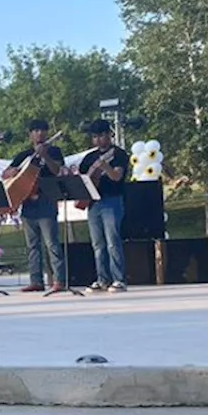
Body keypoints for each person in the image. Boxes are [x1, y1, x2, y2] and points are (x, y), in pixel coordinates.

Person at [2, 119, 66, 292]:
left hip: (46, 201)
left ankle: (59, 280)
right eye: (36, 130)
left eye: (42, 130)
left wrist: (45, 155)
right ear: (30, 134)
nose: (39, 133)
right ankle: (36, 280)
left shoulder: (54, 151)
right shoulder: (24, 155)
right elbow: (5, 173)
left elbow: (57, 171)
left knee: (51, 243)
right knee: (32, 245)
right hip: (28, 203)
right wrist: (11, 172)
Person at [79, 119, 130, 292]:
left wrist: (105, 167)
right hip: (93, 203)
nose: (99, 139)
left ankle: (119, 279)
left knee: (112, 241)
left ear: (109, 135)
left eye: (102, 135)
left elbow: (116, 176)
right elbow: (83, 178)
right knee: (98, 244)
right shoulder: (89, 157)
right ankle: (102, 279)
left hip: (112, 200)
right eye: (95, 136)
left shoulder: (119, 154)